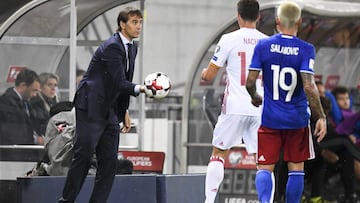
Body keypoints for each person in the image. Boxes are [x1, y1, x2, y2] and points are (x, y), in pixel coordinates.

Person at [58, 7, 146, 203]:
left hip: (110, 110)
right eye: (134, 22)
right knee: (84, 155)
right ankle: (66, 200)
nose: (138, 26)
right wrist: (143, 88)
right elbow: (119, 82)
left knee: (109, 162)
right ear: (122, 24)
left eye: (140, 22)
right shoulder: (112, 46)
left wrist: (123, 111)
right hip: (91, 107)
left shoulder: (132, 47)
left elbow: (123, 81)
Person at [245, 2, 327, 203]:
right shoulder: (306, 49)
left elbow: (249, 82)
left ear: (277, 21)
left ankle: (265, 202)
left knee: (265, 166)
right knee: (296, 167)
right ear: (299, 21)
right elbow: (308, 87)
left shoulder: (263, 46)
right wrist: (321, 116)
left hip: (270, 118)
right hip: (297, 120)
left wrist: (254, 96)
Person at [201, 1, 268, 202]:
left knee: (219, 153)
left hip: (234, 107)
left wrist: (205, 72)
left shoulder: (229, 39)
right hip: (260, 108)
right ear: (258, 17)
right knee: (264, 161)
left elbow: (209, 76)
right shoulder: (267, 42)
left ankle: (209, 201)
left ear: (238, 15)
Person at [0, 68, 41, 145]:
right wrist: (35, 140)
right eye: (34, 90)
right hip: (12, 152)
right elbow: (13, 131)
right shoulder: (6, 103)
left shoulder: (27, 104)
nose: (35, 95)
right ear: (23, 85)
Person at [30, 72, 60, 143]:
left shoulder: (54, 103)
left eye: (55, 85)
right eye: (49, 85)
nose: (53, 88)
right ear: (40, 87)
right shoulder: (35, 103)